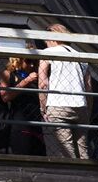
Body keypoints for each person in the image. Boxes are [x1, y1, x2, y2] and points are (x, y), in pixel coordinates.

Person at [38, 23, 92, 161]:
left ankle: (71, 172)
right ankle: (87, 172)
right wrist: (88, 111)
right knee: (83, 151)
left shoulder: (48, 53)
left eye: (47, 41)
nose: (47, 44)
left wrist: (43, 107)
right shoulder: (81, 57)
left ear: (52, 39)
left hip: (58, 105)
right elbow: (88, 87)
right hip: (81, 106)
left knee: (65, 151)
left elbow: (43, 83)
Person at [0, 55, 44, 156]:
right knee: (22, 154)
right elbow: (5, 97)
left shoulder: (37, 76)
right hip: (19, 124)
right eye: (28, 61)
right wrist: (26, 81)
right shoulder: (9, 74)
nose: (32, 65)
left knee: (39, 156)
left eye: (35, 62)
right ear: (19, 60)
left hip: (36, 123)